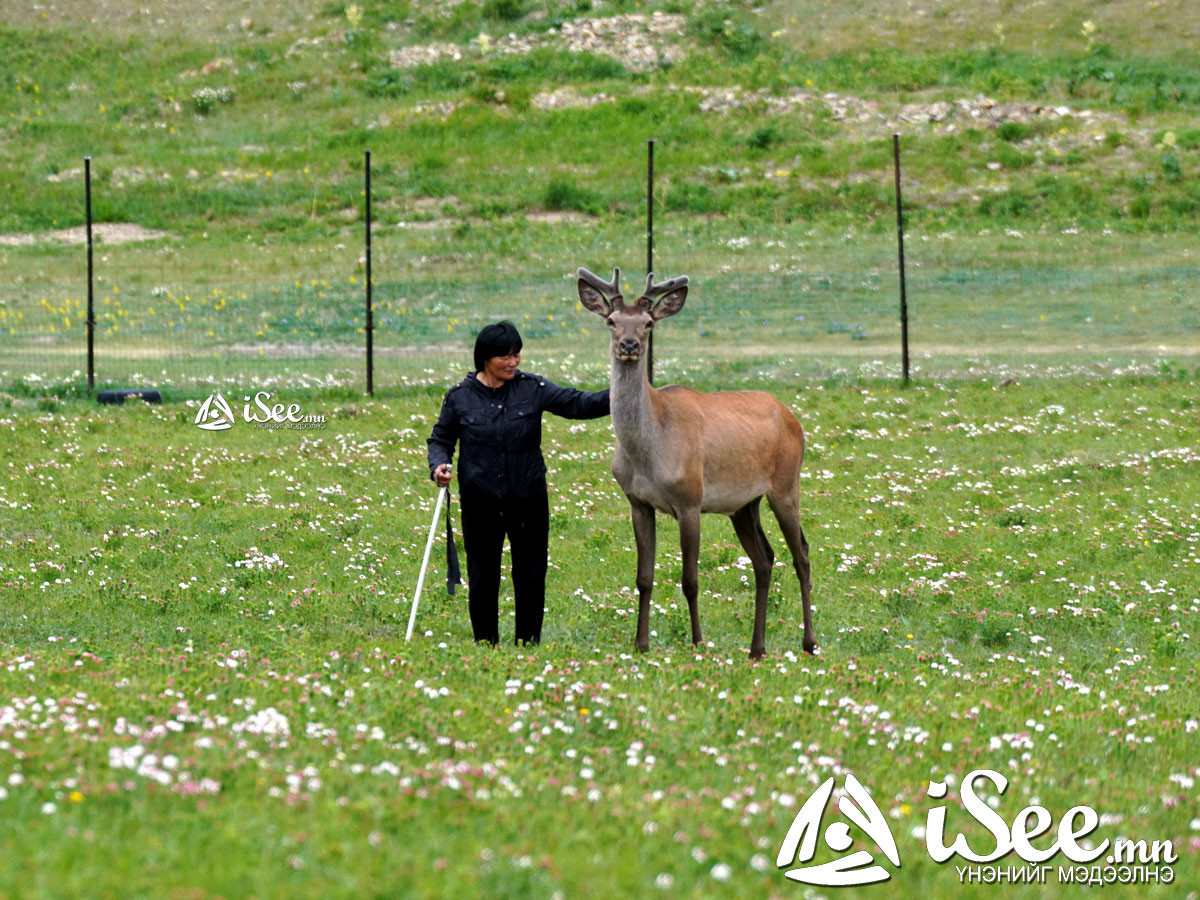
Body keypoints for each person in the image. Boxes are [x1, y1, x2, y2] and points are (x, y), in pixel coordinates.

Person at [427, 321, 610, 646]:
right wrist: (438, 465)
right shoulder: (460, 397)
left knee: (531, 575)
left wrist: (624, 391)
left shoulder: (533, 389)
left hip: (528, 500)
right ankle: (486, 643)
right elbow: (440, 439)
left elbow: (578, 404)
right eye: (505, 356)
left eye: (516, 354)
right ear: (485, 358)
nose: (513, 362)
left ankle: (528, 643)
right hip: (480, 503)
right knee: (482, 577)